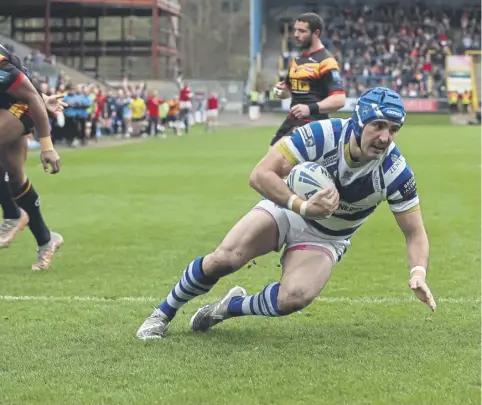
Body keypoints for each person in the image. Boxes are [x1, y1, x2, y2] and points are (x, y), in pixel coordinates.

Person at [136, 87, 436, 340]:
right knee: (225, 257)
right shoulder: (322, 134)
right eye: (378, 126)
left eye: (393, 130)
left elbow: (415, 232)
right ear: (358, 122)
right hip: (288, 209)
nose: (385, 137)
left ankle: (229, 307)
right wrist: (303, 206)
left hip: (329, 237)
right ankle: (163, 312)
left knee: (294, 297)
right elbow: (260, 174)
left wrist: (418, 273)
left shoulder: (395, 171)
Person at [0, 44, 64, 270]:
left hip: (22, 105)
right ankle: (47, 240)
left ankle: (12, 214)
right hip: (7, 104)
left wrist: (47, 146)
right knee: (14, 176)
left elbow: (28, 93)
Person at [271, 13, 346, 147]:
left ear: (316, 33)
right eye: (295, 30)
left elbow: (339, 100)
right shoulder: (296, 60)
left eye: (302, 31)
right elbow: (288, 89)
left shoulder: (326, 62)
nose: (296, 34)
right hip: (292, 120)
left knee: (281, 160)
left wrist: (310, 108)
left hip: (315, 123)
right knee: (272, 153)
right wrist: (282, 92)